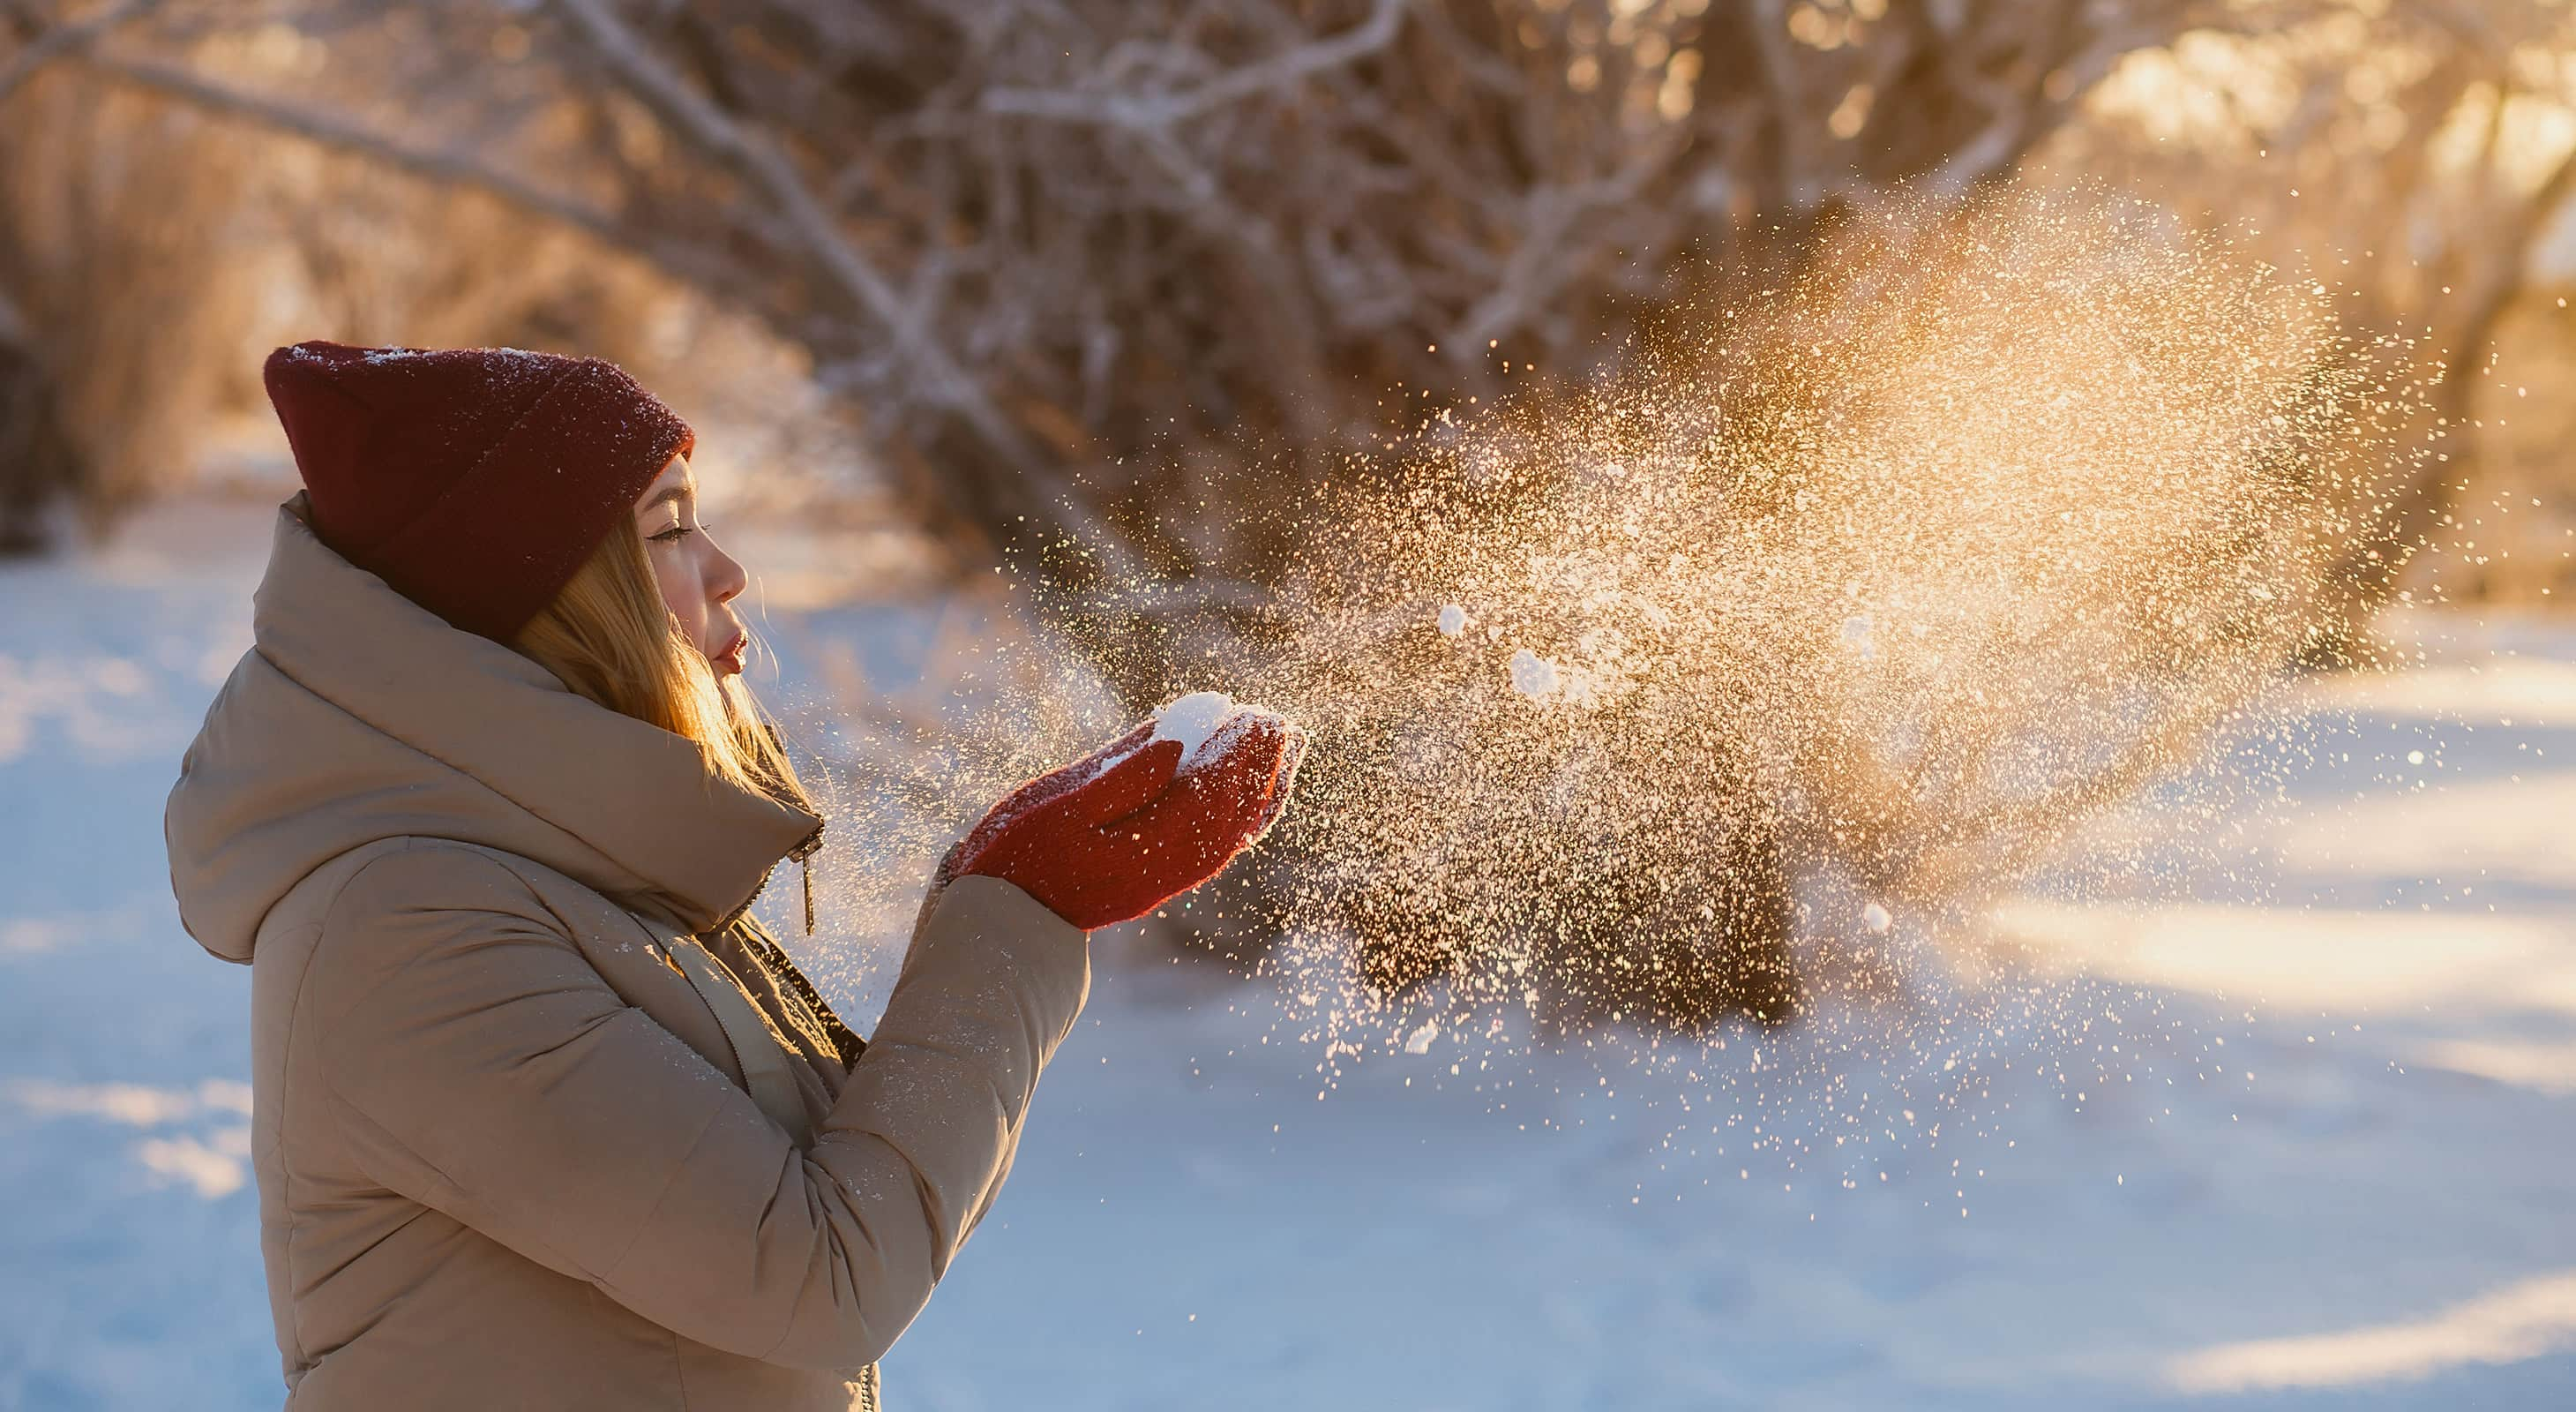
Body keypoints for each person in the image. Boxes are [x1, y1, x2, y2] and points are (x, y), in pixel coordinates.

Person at [163, 342, 1303, 1410]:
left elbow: (813, 1196)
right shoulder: (410, 937)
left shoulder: (567, 874)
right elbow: (818, 1276)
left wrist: (992, 887)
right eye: (667, 532)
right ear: (547, 600)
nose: (727, 569)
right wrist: (1016, 910)